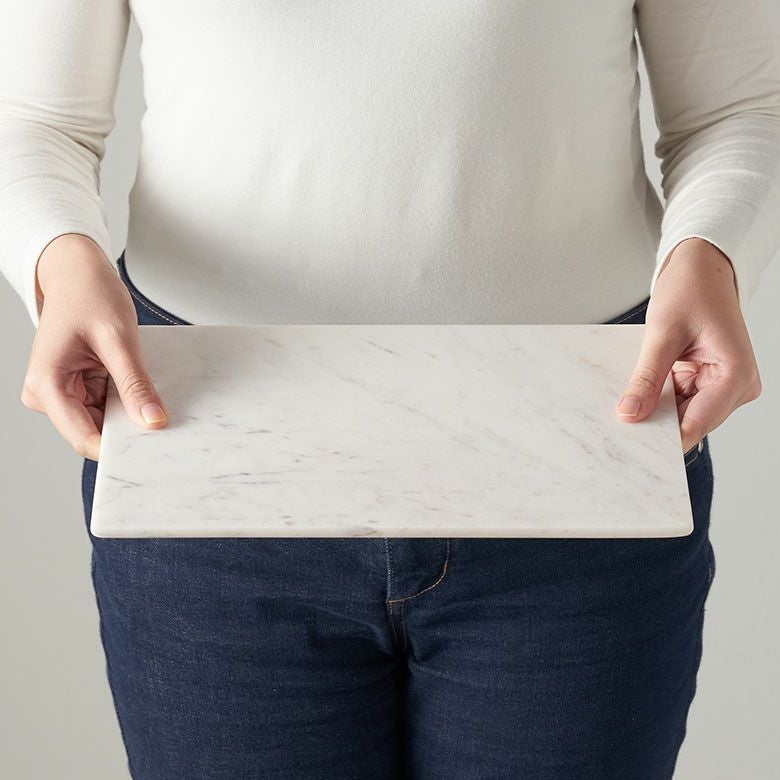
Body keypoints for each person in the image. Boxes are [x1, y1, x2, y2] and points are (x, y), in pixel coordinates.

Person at [1, 1, 778, 778]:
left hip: (583, 452)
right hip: (204, 452)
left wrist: (713, 256)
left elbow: (739, 106)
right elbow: (34, 118)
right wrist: (56, 263)